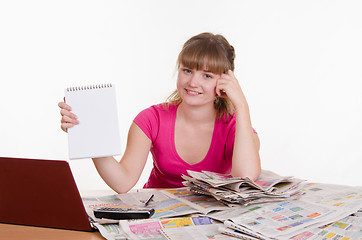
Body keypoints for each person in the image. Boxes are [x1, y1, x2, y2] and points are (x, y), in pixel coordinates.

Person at [59, 32, 261, 193]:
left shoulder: (236, 126)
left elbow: (246, 178)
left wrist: (241, 105)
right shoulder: (151, 119)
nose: (193, 82)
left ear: (225, 82)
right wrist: (89, 137)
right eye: (187, 70)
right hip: (158, 218)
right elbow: (123, 182)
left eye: (207, 75)